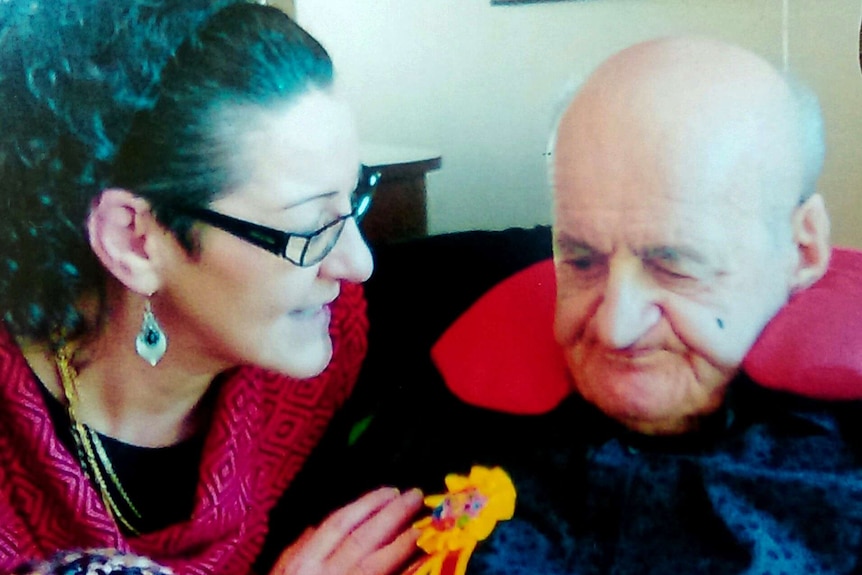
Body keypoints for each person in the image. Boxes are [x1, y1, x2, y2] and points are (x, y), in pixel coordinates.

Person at [274, 37, 862, 574]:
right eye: (581, 261)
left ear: (802, 246)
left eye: (675, 265)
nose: (615, 326)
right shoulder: (446, 397)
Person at [0, 2, 422, 574]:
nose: (356, 263)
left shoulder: (322, 345)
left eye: (354, 196)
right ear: (135, 242)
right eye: (307, 227)